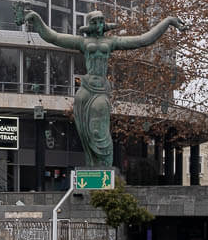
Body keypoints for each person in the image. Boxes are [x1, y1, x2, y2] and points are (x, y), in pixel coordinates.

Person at [17, 9, 186, 167]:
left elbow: (143, 39)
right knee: (85, 131)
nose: (98, 25)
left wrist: (168, 21)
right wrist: (36, 19)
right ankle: (92, 166)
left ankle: (104, 168)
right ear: (90, 24)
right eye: (95, 21)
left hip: (100, 90)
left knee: (99, 131)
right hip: (85, 90)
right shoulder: (82, 42)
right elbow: (53, 37)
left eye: (101, 21)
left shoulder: (111, 42)